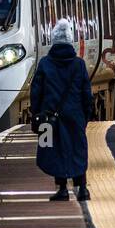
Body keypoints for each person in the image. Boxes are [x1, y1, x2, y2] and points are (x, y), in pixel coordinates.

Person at [30, 18, 94, 202]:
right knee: (77, 149)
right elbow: (86, 94)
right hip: (75, 117)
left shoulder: (44, 63)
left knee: (50, 150)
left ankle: (62, 189)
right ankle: (82, 188)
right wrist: (85, 116)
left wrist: (36, 114)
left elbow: (36, 92)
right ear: (69, 40)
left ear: (53, 41)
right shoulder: (79, 64)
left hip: (48, 119)